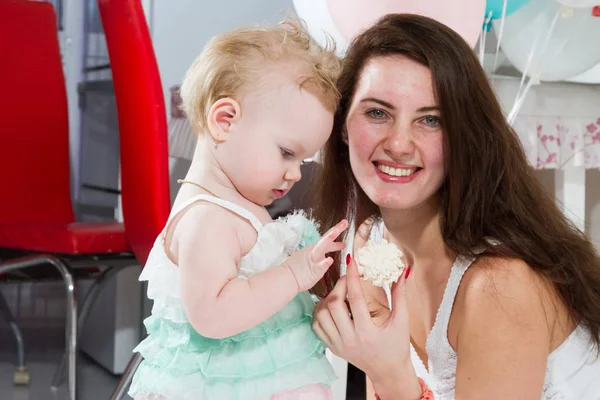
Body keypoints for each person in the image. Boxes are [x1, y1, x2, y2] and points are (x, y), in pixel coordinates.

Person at [311, 13, 600, 400]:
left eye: (430, 120)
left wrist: (389, 373)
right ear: (343, 126)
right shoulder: (370, 245)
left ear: (464, 136)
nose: (399, 144)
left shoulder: (498, 287)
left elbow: (389, 381)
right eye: (377, 112)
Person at [128, 21, 349, 400]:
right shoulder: (207, 220)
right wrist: (293, 273)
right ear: (225, 120)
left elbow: (258, 289)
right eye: (286, 152)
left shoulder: (237, 207)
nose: (296, 173)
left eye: (304, 158)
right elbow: (213, 316)